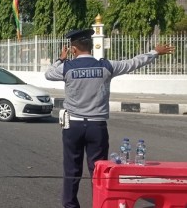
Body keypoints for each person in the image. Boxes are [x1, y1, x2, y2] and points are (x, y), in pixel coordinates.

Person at [44, 28, 174, 208]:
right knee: (98, 170)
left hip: (72, 126)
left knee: (71, 169)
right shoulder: (106, 66)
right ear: (91, 46)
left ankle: (70, 205)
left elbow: (48, 74)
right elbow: (133, 62)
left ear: (73, 49)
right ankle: (100, 203)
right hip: (97, 127)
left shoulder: (67, 67)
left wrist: (61, 59)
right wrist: (154, 52)